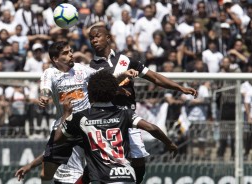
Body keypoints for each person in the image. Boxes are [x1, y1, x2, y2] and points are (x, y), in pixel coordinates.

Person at [15, 41, 137, 184]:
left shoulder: (81, 69)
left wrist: (123, 75)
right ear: (55, 59)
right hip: (64, 124)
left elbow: (104, 79)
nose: (71, 55)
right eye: (66, 53)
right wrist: (44, 96)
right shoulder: (50, 73)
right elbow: (46, 88)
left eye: (71, 51)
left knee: (87, 171)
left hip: (86, 124)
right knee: (45, 174)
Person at [88, 25, 197, 183]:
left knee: (138, 160)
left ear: (108, 38)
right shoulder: (91, 67)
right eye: (91, 38)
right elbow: (96, 92)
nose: (94, 40)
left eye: (97, 36)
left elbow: (154, 77)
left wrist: (179, 87)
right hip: (106, 120)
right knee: (107, 165)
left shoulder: (125, 60)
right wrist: (116, 89)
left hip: (128, 116)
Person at [52, 70, 178, 183]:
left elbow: (57, 139)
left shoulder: (81, 117)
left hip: (101, 178)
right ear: (113, 93)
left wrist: (66, 114)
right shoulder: (125, 114)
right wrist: (169, 144)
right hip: (126, 177)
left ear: (90, 94)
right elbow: (152, 128)